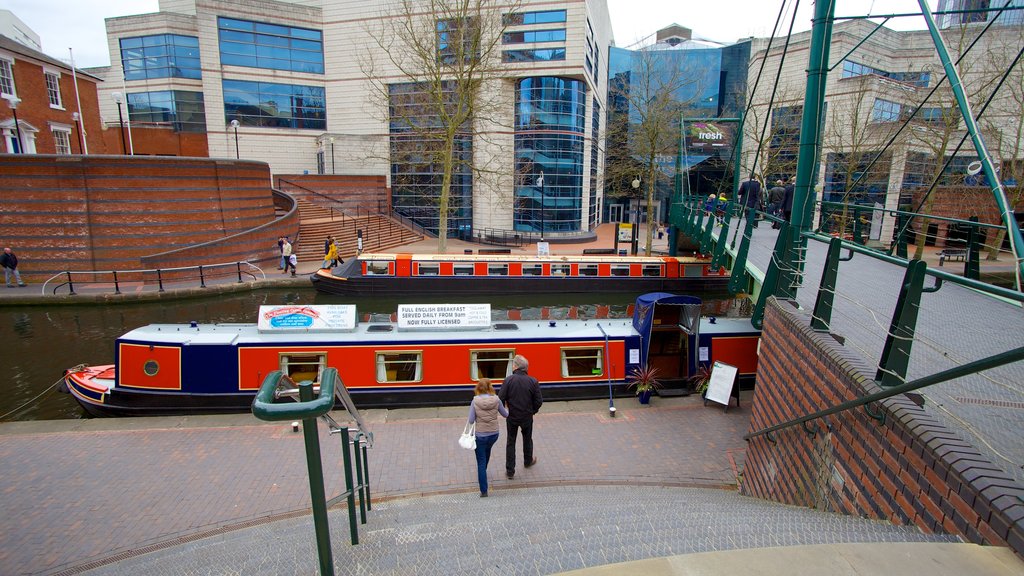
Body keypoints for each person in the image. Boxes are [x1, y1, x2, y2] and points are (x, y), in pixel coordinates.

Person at [498, 354, 543, 479]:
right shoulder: (533, 381)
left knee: (511, 442)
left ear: (516, 366)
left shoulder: (508, 380)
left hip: (512, 417)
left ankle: (510, 471)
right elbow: (539, 401)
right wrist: (532, 411)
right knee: (527, 439)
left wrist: (505, 412)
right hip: (527, 417)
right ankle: (528, 461)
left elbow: (500, 399)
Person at [467, 378, 508, 497]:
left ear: (478, 388)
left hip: (480, 435)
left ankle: (484, 490)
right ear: (490, 387)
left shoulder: (475, 401)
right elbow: (505, 414)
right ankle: (483, 472)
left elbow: (470, 420)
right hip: (493, 434)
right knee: (487, 451)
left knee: (480, 460)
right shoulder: (496, 399)